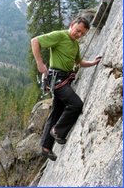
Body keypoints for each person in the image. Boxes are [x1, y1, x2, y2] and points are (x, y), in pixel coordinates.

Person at [31, 17, 102, 161]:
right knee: (76, 104)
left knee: (57, 111)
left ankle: (46, 147)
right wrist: (40, 63)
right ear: (71, 25)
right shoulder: (60, 35)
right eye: (77, 31)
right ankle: (57, 131)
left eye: (82, 34)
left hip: (63, 79)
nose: (79, 35)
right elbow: (35, 41)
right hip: (56, 78)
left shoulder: (75, 45)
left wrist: (94, 62)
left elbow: (80, 62)